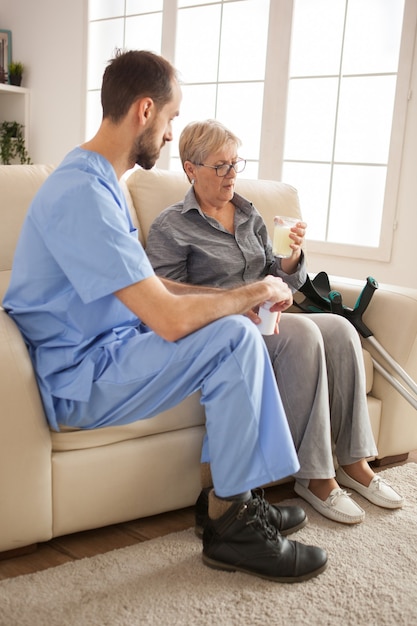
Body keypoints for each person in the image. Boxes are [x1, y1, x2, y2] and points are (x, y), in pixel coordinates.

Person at [2, 51, 327, 583]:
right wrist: (247, 293)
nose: (173, 135)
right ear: (146, 111)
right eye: (173, 118)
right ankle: (233, 527)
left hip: (110, 352)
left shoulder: (98, 180)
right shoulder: (83, 193)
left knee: (231, 330)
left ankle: (232, 506)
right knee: (232, 339)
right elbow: (170, 320)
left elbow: (151, 287)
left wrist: (237, 298)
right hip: (81, 377)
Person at [146, 119, 404, 527]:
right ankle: (316, 477)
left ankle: (355, 462)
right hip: (224, 332)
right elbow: (165, 299)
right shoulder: (171, 226)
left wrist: (289, 261)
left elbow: (280, 279)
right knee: (302, 331)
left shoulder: (250, 215)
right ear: (190, 168)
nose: (232, 174)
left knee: (339, 329)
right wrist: (236, 306)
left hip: (268, 319)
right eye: (220, 166)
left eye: (235, 163)